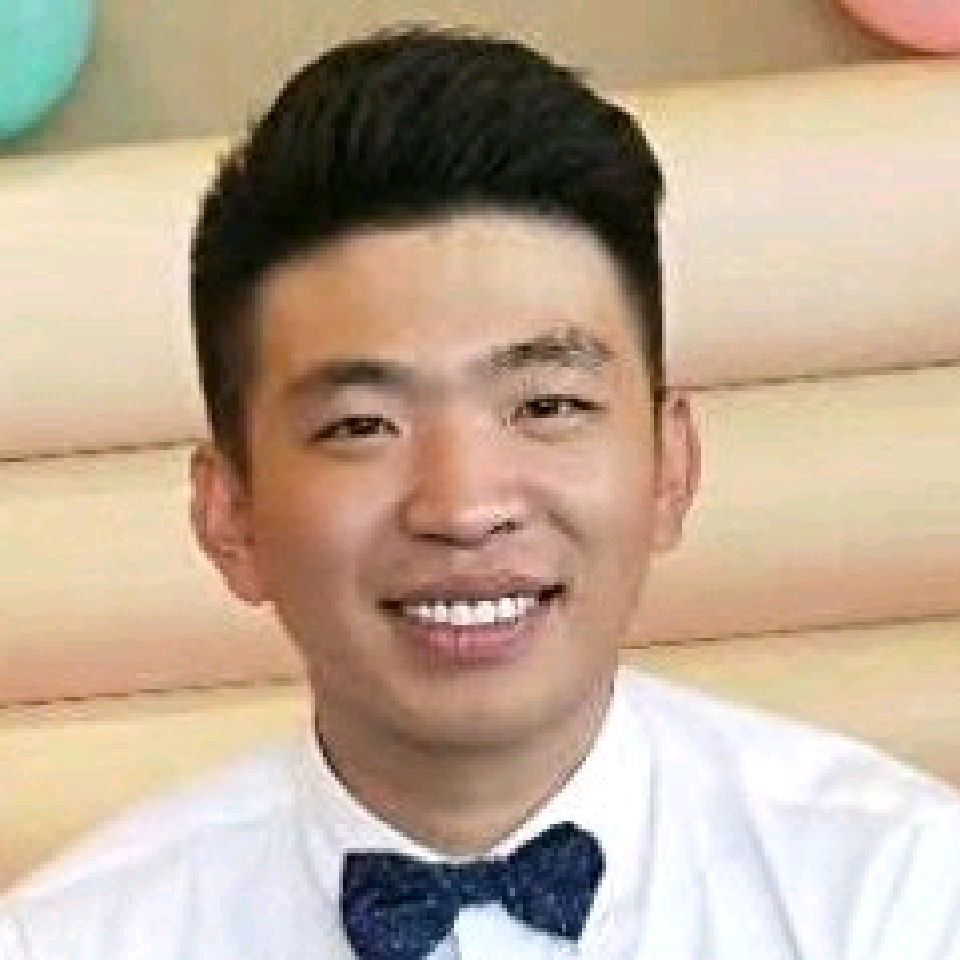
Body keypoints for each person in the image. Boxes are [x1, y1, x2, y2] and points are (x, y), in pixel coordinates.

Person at [2, 24, 958, 960]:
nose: (463, 509)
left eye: (547, 405)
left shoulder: (902, 894)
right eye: (361, 426)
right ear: (231, 517)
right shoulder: (67, 940)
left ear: (671, 466)